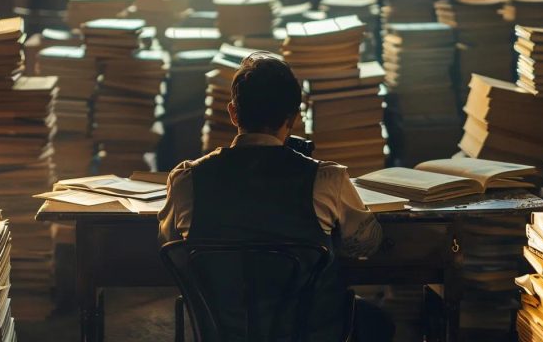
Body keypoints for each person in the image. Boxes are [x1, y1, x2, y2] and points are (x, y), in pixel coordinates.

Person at [158, 52, 394, 341]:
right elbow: (367, 244)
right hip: (307, 332)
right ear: (293, 119)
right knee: (376, 321)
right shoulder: (326, 179)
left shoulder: (187, 180)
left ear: (233, 113)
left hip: (224, 330)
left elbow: (171, 244)